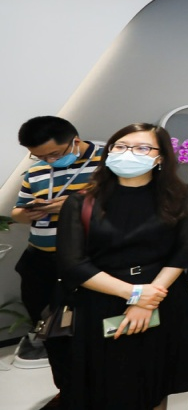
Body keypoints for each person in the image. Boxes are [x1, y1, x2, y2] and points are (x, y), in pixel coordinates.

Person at [56, 123, 188, 410]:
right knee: (109, 384)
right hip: (103, 300)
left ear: (160, 157)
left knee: (157, 382)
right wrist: (135, 295)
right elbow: (73, 263)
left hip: (164, 297)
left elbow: (183, 251)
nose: (128, 153)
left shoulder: (179, 196)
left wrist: (147, 300)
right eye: (120, 146)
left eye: (142, 148)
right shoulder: (81, 202)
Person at [12, 116, 104, 403]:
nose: (48, 160)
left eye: (54, 153)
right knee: (52, 332)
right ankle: (68, 392)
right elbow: (17, 212)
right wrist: (31, 212)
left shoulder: (109, 160)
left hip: (90, 261)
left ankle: (104, 391)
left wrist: (76, 204)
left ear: (74, 140)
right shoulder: (37, 170)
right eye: (40, 156)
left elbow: (126, 204)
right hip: (40, 261)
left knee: (92, 331)